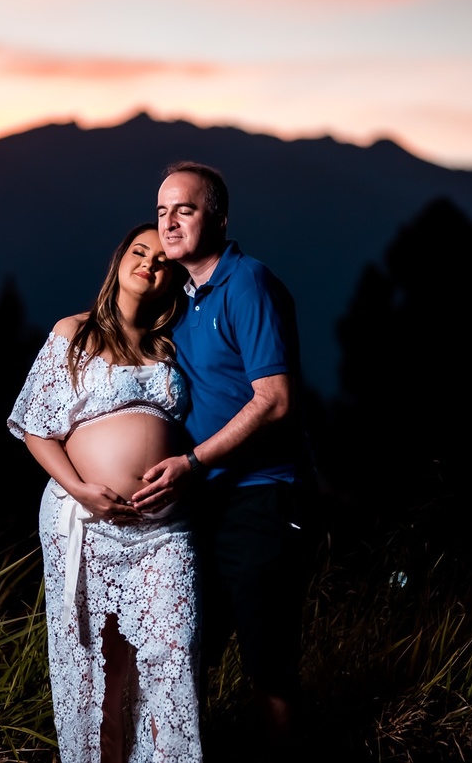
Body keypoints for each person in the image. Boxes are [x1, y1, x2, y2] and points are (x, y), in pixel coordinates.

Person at [132, 161, 313, 759]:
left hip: (261, 496)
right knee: (187, 656)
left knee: (268, 664)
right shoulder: (180, 299)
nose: (170, 222)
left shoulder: (248, 283)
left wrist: (193, 461)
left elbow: (276, 399)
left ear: (219, 216)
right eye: (162, 211)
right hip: (200, 504)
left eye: (185, 209)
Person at [7, 223, 203, 763]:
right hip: (87, 518)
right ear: (119, 262)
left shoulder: (171, 347)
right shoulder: (76, 332)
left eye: (163, 258)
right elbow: (33, 426)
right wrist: (81, 489)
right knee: (104, 671)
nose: (150, 262)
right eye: (139, 251)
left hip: (165, 528)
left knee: (174, 652)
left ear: (173, 277)